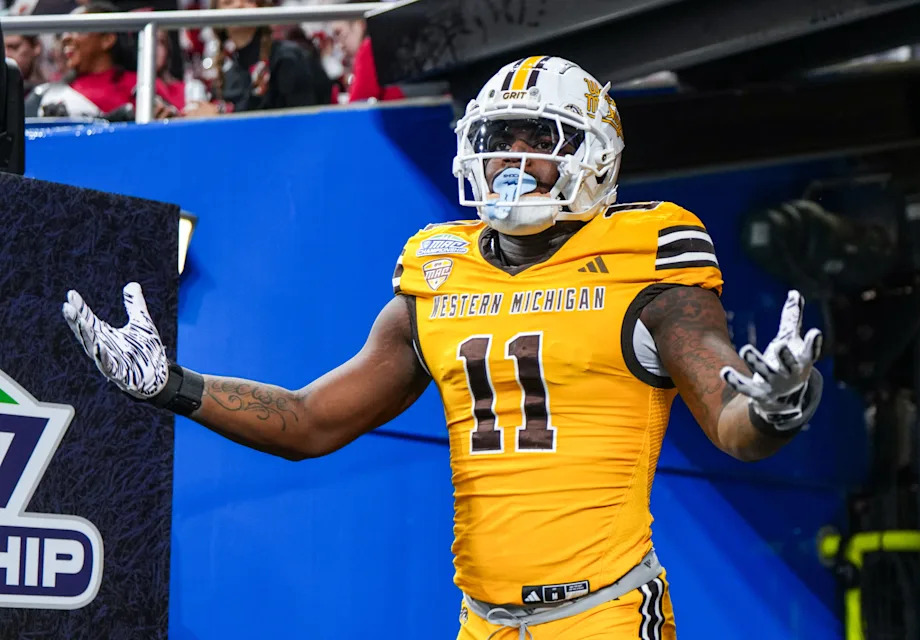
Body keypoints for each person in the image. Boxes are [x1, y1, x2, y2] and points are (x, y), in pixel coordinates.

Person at [61, 56, 824, 639]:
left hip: (609, 614)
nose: (514, 160)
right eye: (499, 139)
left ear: (594, 158)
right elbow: (313, 419)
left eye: (542, 139)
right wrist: (173, 385)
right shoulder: (438, 264)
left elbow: (732, 419)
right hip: (481, 622)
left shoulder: (646, 252)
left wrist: (775, 406)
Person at [27, 1, 183, 119]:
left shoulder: (143, 86)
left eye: (78, 29)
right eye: (66, 31)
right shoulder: (46, 93)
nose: (66, 38)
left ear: (107, 39)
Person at [183, 0, 331, 116]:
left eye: (248, 0)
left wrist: (222, 113)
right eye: (228, 2)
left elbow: (301, 121)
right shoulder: (227, 78)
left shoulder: (288, 58)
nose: (239, 5)